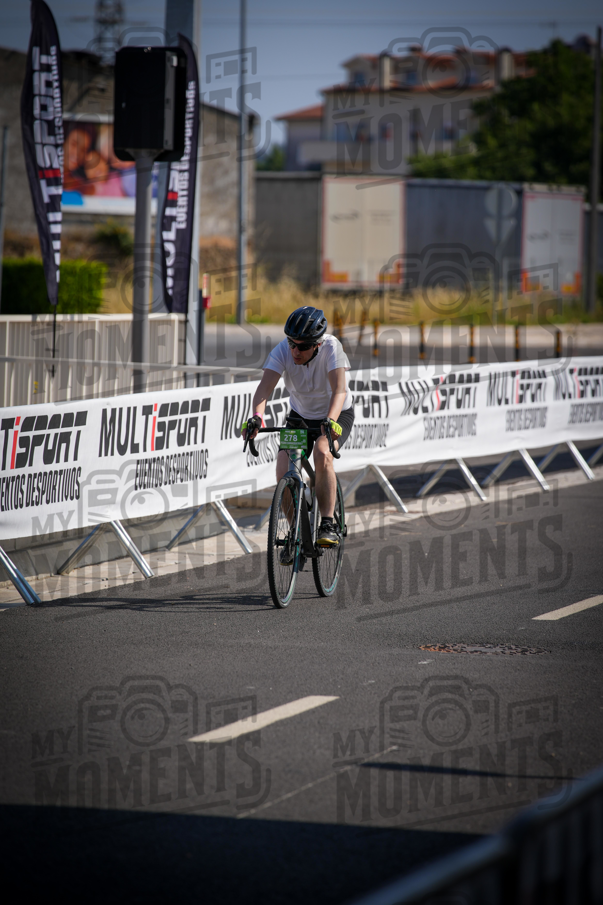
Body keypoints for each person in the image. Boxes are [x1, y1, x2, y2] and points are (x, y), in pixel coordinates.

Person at [244, 306, 354, 551]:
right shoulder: (283, 349)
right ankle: (296, 535)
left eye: (303, 346)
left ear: (317, 344)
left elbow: (339, 389)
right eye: (292, 343)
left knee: (323, 452)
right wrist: (256, 418)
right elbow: (264, 389)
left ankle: (327, 523)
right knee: (284, 468)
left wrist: (331, 421)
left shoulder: (331, 347)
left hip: (335, 415)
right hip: (300, 417)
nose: (295, 350)